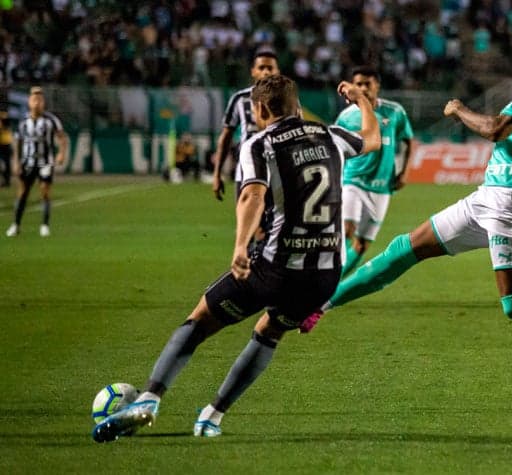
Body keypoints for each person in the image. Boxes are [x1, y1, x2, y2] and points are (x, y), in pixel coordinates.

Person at [301, 25, 512, 415]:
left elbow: (496, 129)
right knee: (405, 248)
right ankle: (320, 304)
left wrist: (458, 109)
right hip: (488, 199)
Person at [91, 74, 381, 443]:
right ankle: (212, 417)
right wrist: (362, 101)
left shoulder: (260, 144)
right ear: (296, 106)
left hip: (275, 267)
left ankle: (149, 399)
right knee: (269, 332)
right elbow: (373, 139)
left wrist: (240, 246)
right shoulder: (330, 136)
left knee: (199, 321)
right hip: (325, 274)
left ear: (259, 109)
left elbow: (252, 196)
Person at [335, 66, 415, 276]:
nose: (362, 88)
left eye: (367, 84)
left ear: (377, 85)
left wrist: (404, 172)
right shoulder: (346, 117)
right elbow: (337, 149)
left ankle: (335, 283)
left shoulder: (394, 112)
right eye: (358, 84)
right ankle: (324, 277)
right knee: (347, 231)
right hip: (353, 180)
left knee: (361, 245)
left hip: (382, 186)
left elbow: (408, 140)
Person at [211, 51, 279, 201]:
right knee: (246, 224)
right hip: (246, 173)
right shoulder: (240, 99)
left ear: (277, 72)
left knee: (279, 224)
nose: (266, 72)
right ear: (253, 72)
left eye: (270, 68)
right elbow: (226, 137)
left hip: (279, 174)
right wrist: (217, 173)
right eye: (261, 68)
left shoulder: (288, 100)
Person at [6, 87, 68, 237]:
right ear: (29, 102)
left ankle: (44, 225)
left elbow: (61, 137)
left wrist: (61, 153)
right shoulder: (23, 122)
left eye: (40, 100)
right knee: (22, 193)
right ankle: (16, 224)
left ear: (43, 103)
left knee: (45, 192)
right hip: (27, 163)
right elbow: (18, 143)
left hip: (45, 162)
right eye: (34, 100)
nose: (37, 103)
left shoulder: (51, 120)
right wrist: (16, 162)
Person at [0, 112, 12, 187]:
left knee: (7, 163)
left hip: (5, 143)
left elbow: (6, 125)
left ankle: (7, 181)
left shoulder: (5, 116)